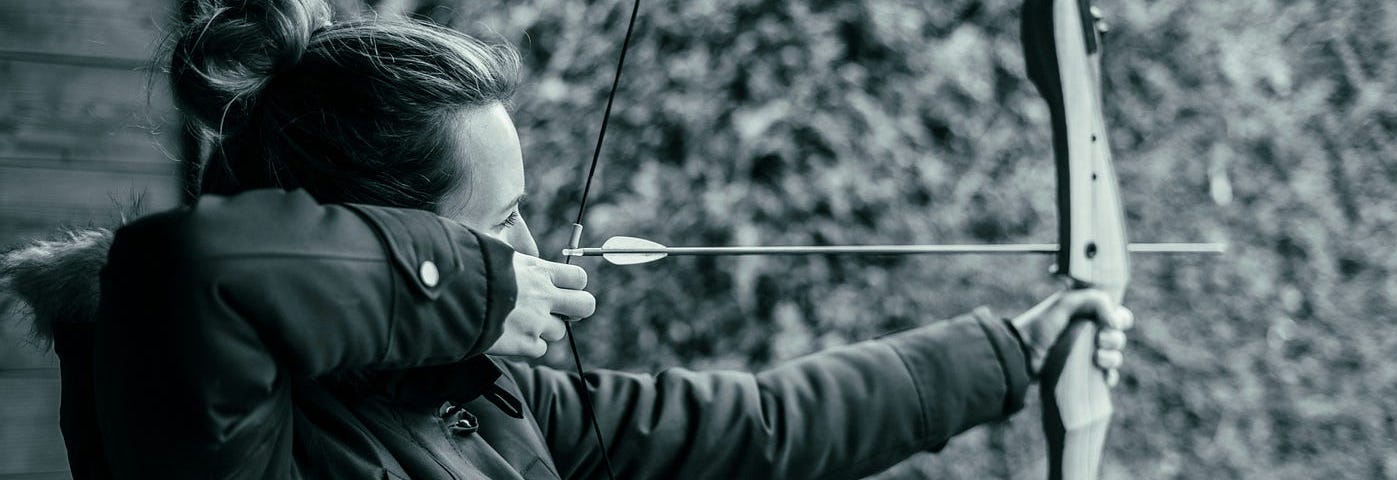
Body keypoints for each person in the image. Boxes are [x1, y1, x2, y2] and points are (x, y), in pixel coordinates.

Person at [0, 0, 1133, 478]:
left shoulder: (482, 400)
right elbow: (183, 275)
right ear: (381, 234)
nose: (533, 251)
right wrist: (476, 287)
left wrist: (1008, 353)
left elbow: (762, 426)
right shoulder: (211, 422)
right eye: (496, 228)